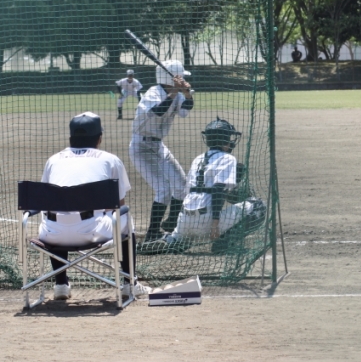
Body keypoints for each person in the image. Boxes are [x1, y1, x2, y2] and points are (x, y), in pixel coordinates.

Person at [39, 112, 151, 300]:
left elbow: (46, 200)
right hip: (92, 232)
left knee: (60, 214)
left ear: (70, 138)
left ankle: (61, 285)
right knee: (125, 217)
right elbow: (118, 205)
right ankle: (129, 284)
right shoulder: (110, 160)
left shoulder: (53, 160)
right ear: (99, 138)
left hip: (52, 235)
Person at [141, 118, 266, 254]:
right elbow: (218, 191)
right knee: (258, 206)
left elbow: (187, 191)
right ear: (224, 140)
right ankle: (224, 244)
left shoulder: (198, 159)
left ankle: (173, 240)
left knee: (182, 239)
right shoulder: (228, 159)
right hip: (207, 222)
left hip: (184, 220)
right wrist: (215, 224)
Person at [129, 60, 193, 247]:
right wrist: (175, 91)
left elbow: (185, 112)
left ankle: (171, 223)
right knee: (164, 188)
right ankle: (152, 232)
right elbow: (158, 111)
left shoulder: (177, 94)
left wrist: (187, 94)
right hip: (141, 147)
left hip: (158, 146)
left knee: (181, 185)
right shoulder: (153, 93)